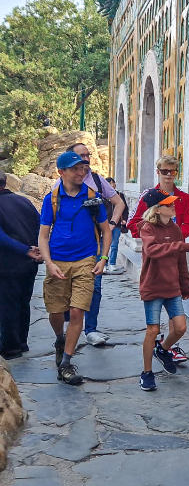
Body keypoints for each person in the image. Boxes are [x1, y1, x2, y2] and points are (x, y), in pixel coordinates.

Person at [39, 152, 112, 385]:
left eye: (83, 169)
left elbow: (106, 230)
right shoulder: (51, 198)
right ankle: (60, 339)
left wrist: (102, 258)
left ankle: (66, 363)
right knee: (56, 312)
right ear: (62, 172)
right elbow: (42, 235)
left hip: (85, 261)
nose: (81, 173)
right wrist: (49, 263)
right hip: (57, 261)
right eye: (75, 169)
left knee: (77, 311)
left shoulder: (93, 197)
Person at [57, 143, 126, 346]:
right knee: (67, 289)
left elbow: (119, 202)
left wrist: (111, 225)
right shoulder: (59, 186)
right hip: (68, 249)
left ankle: (91, 329)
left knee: (95, 286)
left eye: (87, 155)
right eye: (80, 156)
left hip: (94, 246)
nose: (85, 160)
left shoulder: (96, 180)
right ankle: (70, 325)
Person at [129, 155, 189, 363]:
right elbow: (134, 222)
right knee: (155, 319)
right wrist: (156, 234)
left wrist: (174, 235)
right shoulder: (149, 196)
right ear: (158, 172)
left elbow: (188, 223)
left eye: (172, 171)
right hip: (156, 258)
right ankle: (156, 357)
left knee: (176, 312)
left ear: (177, 173)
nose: (168, 175)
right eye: (164, 171)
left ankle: (168, 346)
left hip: (176, 254)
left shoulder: (184, 198)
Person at [137, 189, 189, 391]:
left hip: (172, 287)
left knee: (180, 328)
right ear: (157, 209)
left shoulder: (175, 229)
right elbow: (152, 251)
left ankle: (163, 350)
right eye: (168, 204)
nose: (173, 206)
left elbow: (181, 262)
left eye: (173, 203)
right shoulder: (147, 228)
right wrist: (182, 246)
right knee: (153, 330)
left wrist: (185, 286)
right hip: (153, 287)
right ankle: (147, 373)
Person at [0, 171, 42, 359]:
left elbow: (1, 237)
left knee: (7, 305)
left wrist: (25, 249)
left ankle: (10, 347)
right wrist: (38, 249)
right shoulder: (24, 201)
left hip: (8, 263)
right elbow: (41, 225)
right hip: (29, 263)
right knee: (23, 302)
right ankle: (22, 342)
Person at [103, 177, 128, 275]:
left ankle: (112, 263)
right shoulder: (102, 196)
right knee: (105, 245)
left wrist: (124, 219)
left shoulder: (120, 195)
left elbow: (125, 208)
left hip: (117, 224)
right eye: (110, 183)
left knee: (114, 244)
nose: (112, 185)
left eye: (113, 183)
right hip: (105, 225)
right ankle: (104, 264)